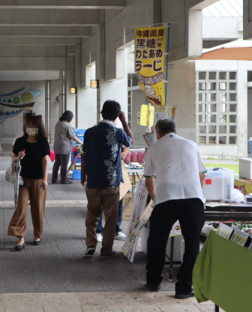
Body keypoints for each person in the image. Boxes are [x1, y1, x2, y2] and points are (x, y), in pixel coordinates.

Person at [143, 119, 206, 299]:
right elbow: (202, 174)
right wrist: (197, 195)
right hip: (193, 199)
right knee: (193, 242)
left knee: (157, 240)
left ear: (158, 133)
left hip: (167, 198)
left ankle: (154, 280)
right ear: (175, 131)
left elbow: (149, 178)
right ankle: (185, 286)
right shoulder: (191, 144)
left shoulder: (153, 148)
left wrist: (156, 199)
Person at [81, 100, 132, 258]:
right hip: (111, 183)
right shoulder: (117, 132)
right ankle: (106, 250)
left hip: (94, 181)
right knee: (111, 218)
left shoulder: (89, 132)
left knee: (92, 215)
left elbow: (85, 155)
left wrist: (84, 177)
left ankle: (90, 244)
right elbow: (130, 140)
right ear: (116, 116)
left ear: (101, 113)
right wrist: (123, 120)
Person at [8, 113, 50, 251]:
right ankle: (20, 237)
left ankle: (37, 234)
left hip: (38, 179)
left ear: (38, 127)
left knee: (38, 208)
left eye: (33, 125)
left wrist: (45, 179)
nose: (30, 128)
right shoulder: (20, 141)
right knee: (21, 207)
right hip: (22, 179)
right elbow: (13, 159)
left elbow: (45, 160)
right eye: (28, 125)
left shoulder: (43, 142)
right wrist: (18, 157)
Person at [52, 110, 82, 184]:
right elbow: (73, 136)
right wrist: (81, 142)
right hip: (64, 147)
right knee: (64, 164)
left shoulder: (58, 123)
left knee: (57, 163)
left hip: (57, 146)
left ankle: (54, 179)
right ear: (69, 117)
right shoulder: (67, 124)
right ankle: (63, 179)